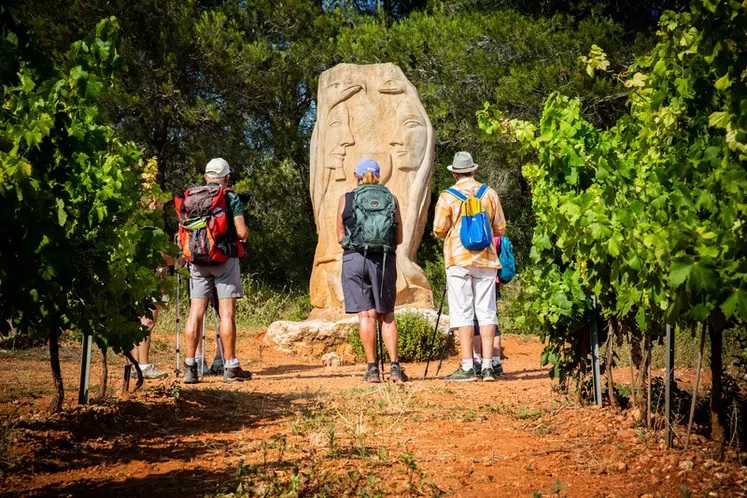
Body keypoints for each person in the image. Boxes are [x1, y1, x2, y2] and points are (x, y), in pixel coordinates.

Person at [433, 151, 506, 382]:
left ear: (454, 173)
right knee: (486, 311)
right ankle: (488, 366)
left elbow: (438, 229)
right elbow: (500, 228)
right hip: (486, 259)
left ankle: (468, 366)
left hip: (458, 260)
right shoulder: (489, 193)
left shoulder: (447, 196)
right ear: (474, 171)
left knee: (462, 311)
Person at [181, 158, 251, 383]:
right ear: (227, 178)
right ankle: (230, 366)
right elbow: (241, 233)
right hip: (224, 260)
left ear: (205, 176)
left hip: (198, 262)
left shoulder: (191, 197)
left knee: (196, 311)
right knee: (227, 313)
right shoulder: (230, 197)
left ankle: (190, 366)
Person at [337, 159, 407, 383]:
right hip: (384, 260)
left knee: (366, 316)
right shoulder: (391, 199)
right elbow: (399, 238)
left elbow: (340, 237)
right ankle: (395, 368)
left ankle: (372, 370)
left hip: (355, 260)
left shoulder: (346, 199)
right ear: (379, 176)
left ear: (356, 175)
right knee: (386, 315)